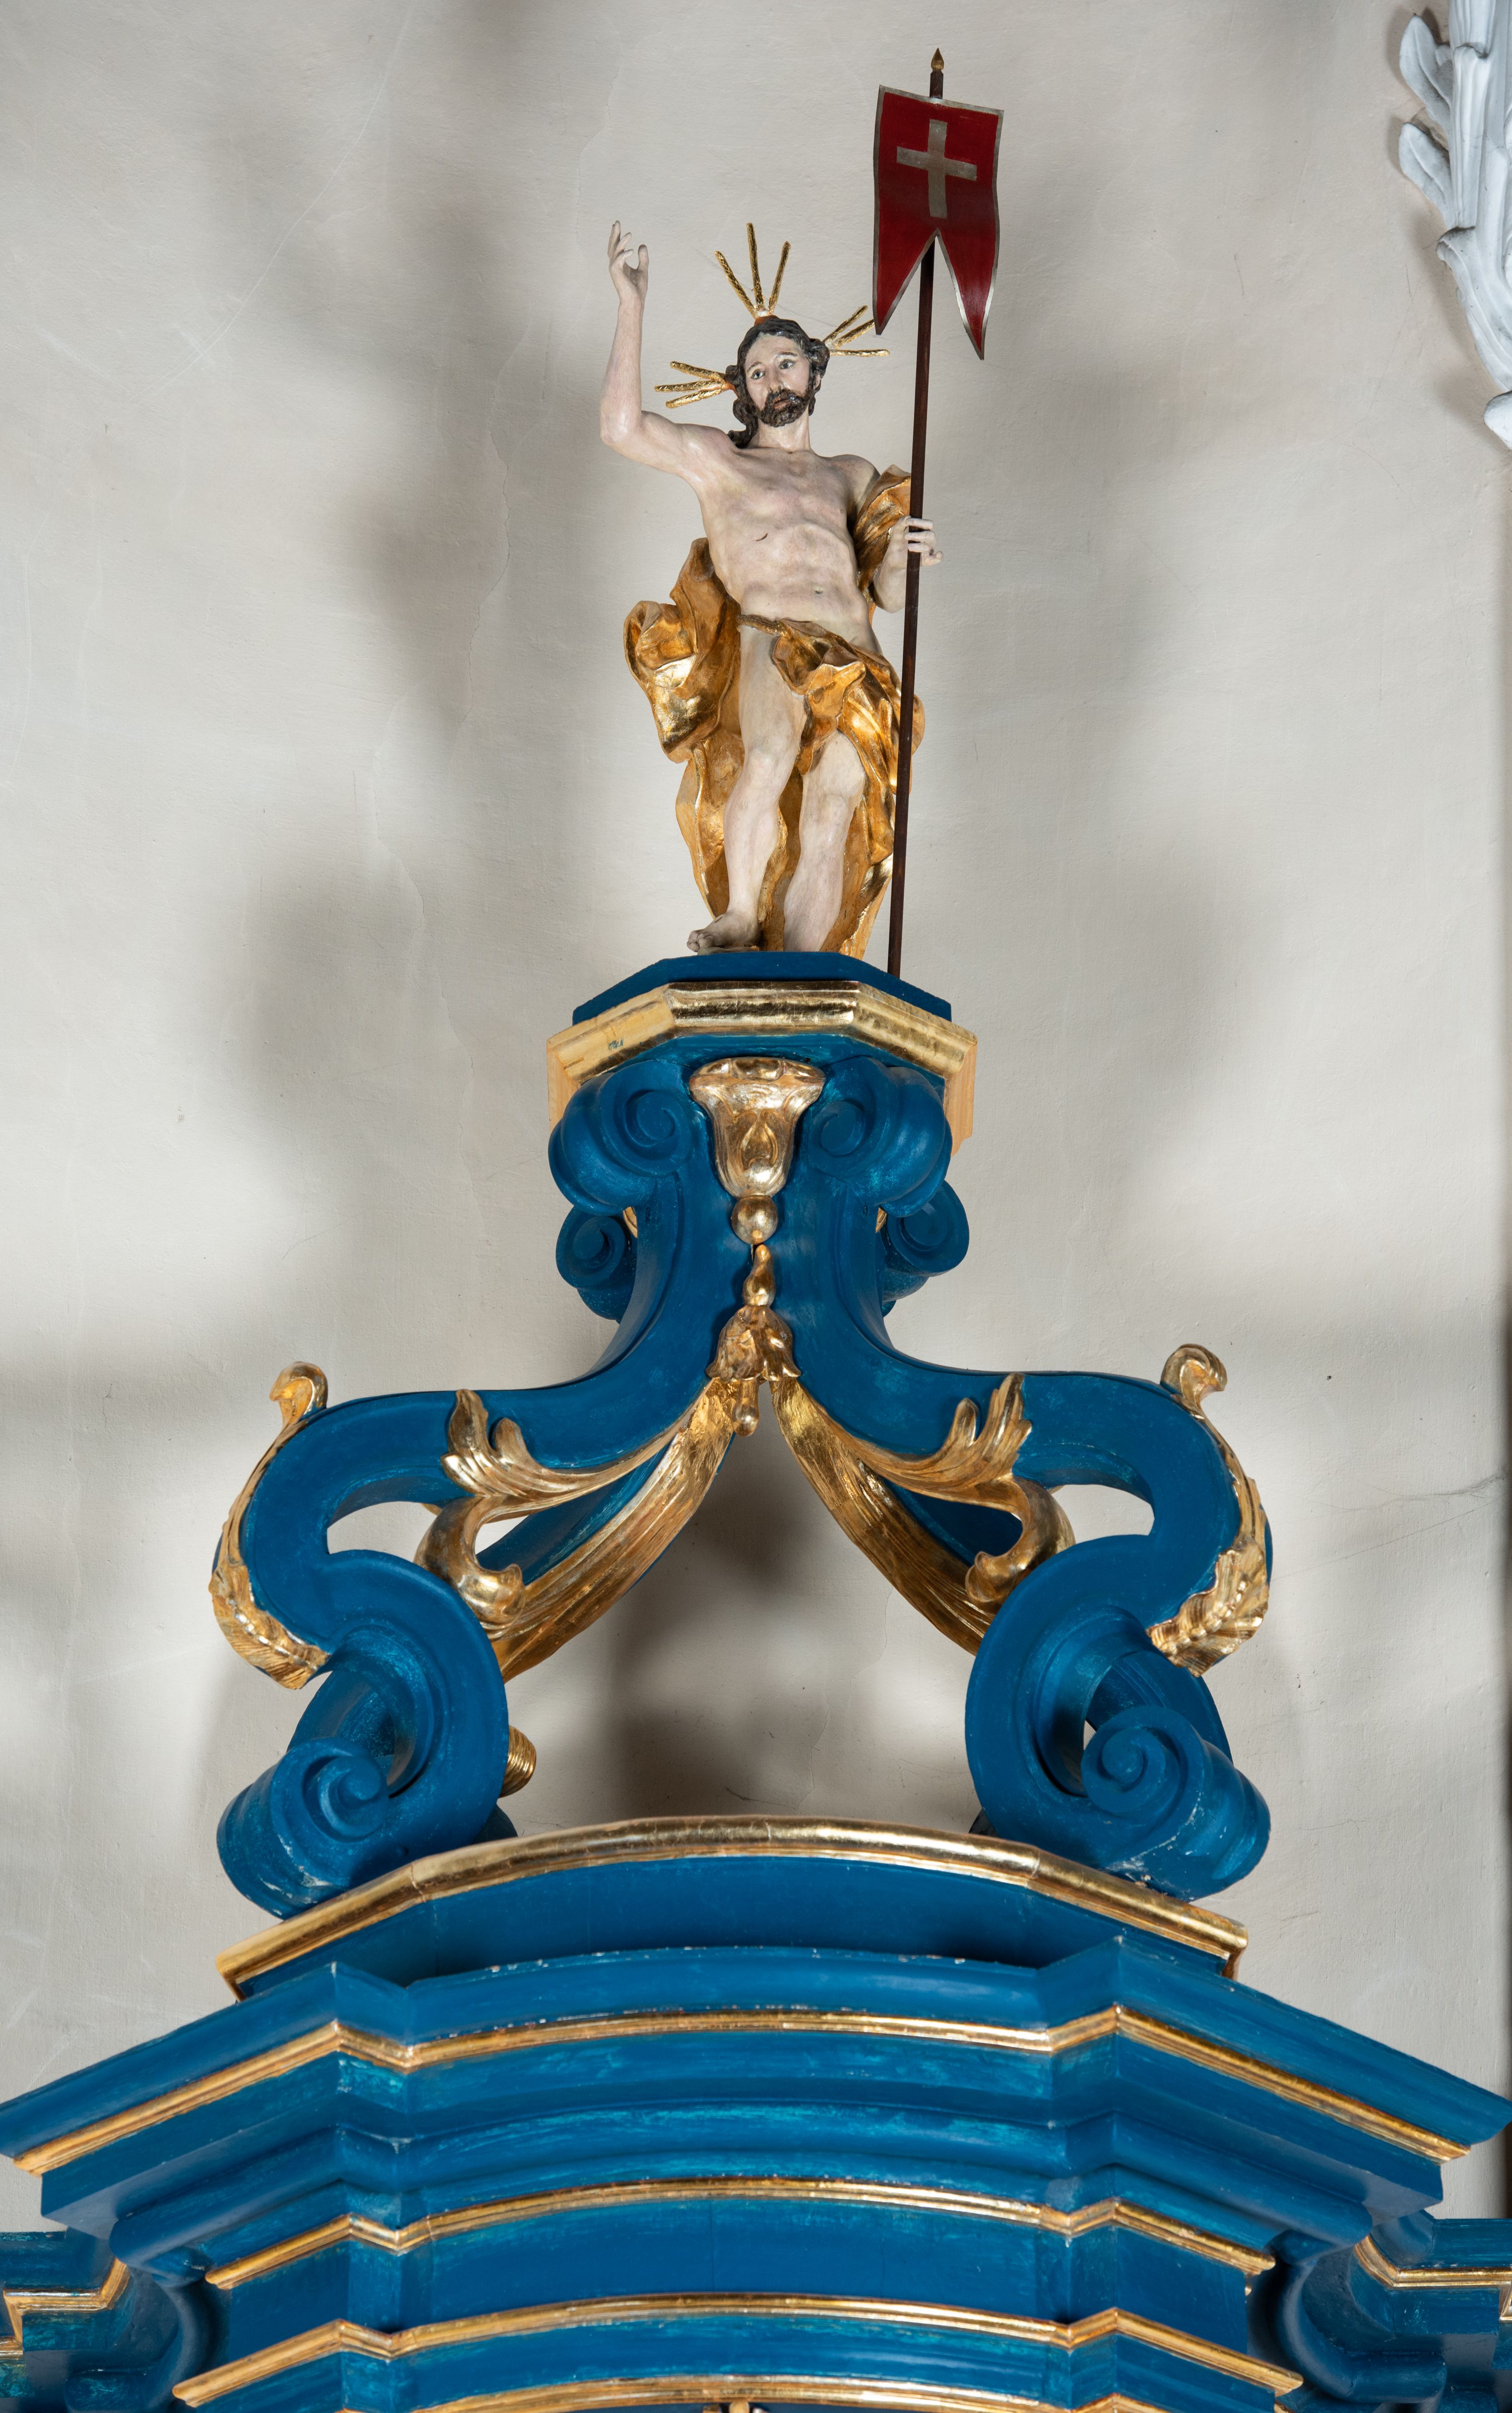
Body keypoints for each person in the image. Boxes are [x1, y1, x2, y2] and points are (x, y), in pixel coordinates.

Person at [602, 222, 941, 955]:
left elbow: (889, 596)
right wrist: (631, 306)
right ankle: (740, 915)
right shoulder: (720, 462)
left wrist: (903, 555)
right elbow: (623, 429)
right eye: (757, 373)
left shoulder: (850, 474)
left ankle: (808, 962)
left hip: (856, 648)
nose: (774, 381)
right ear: (742, 389)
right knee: (766, 757)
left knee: (836, 804)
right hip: (773, 637)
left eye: (787, 364)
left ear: (815, 372)